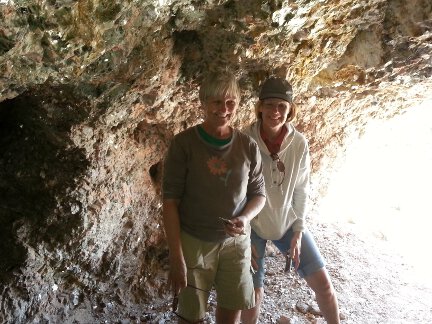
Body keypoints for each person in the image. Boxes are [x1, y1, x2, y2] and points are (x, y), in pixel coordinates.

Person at [162, 71, 266, 324]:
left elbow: (259, 195)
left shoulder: (248, 146)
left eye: (230, 102)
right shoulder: (183, 144)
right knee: (190, 316)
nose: (224, 108)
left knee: (231, 311)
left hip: (235, 245)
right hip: (194, 242)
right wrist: (177, 258)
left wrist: (244, 217)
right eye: (216, 101)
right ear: (203, 102)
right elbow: (170, 202)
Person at [241, 77, 340, 324]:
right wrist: (243, 236)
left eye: (282, 106)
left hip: (286, 222)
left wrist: (298, 229)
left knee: (324, 286)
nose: (276, 112)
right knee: (253, 294)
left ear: (290, 110)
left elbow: (301, 189)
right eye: (270, 105)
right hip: (253, 224)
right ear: (260, 107)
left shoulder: (299, 143)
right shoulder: (244, 140)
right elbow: (236, 192)